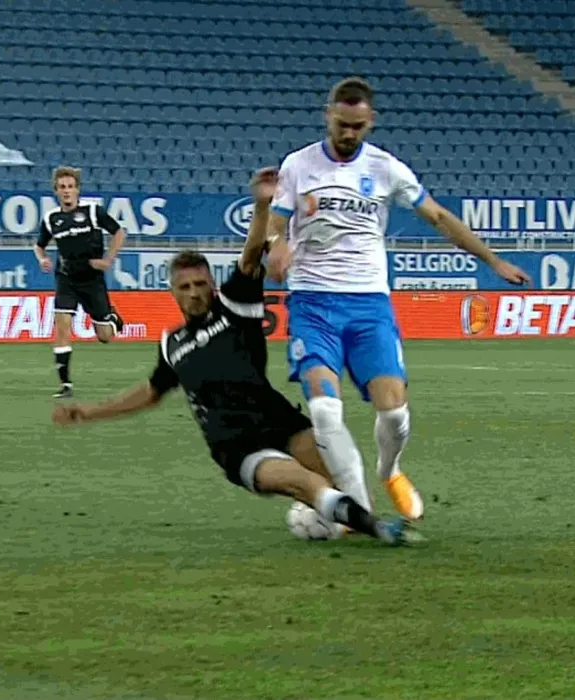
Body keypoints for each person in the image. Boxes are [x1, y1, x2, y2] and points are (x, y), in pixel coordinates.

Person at [52, 168, 420, 546]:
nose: (194, 292)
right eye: (184, 287)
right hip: (236, 445)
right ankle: (380, 530)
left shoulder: (234, 307)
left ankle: (349, 516)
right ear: (172, 291)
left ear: (212, 285)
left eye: (200, 284)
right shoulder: (172, 344)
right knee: (304, 482)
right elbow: (150, 392)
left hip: (279, 420)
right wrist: (89, 412)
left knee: (339, 473)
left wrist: (262, 206)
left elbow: (250, 257)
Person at [265, 77, 530, 521]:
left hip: (369, 305)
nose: (349, 134)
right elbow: (275, 222)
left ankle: (390, 471)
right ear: (328, 116)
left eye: (358, 126)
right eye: (342, 124)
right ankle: (358, 510)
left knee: (394, 414)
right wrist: (276, 245)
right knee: (325, 411)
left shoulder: (386, 168)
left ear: (371, 121)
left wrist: (493, 261)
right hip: (313, 303)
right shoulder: (298, 165)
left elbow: (438, 216)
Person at [34, 166, 127, 398]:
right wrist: (42, 258)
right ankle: (65, 385)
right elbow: (39, 245)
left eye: (70, 187)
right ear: (56, 191)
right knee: (62, 327)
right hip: (66, 278)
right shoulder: (51, 219)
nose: (66, 191)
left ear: (77, 190)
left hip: (92, 279)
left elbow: (119, 232)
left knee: (104, 336)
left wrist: (108, 260)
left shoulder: (93, 212)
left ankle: (113, 318)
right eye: (62, 187)